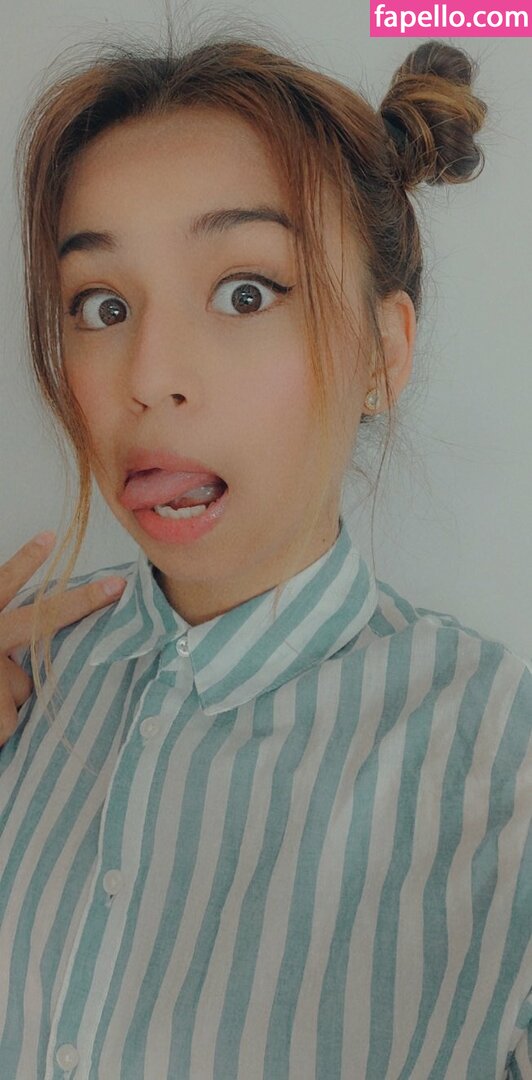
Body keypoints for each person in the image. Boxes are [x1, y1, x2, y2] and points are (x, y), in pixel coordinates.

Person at [0, 27, 530, 1080]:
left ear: (383, 353)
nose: (148, 376)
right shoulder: (26, 683)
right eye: (102, 306)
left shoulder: (502, 773)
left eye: (246, 292)